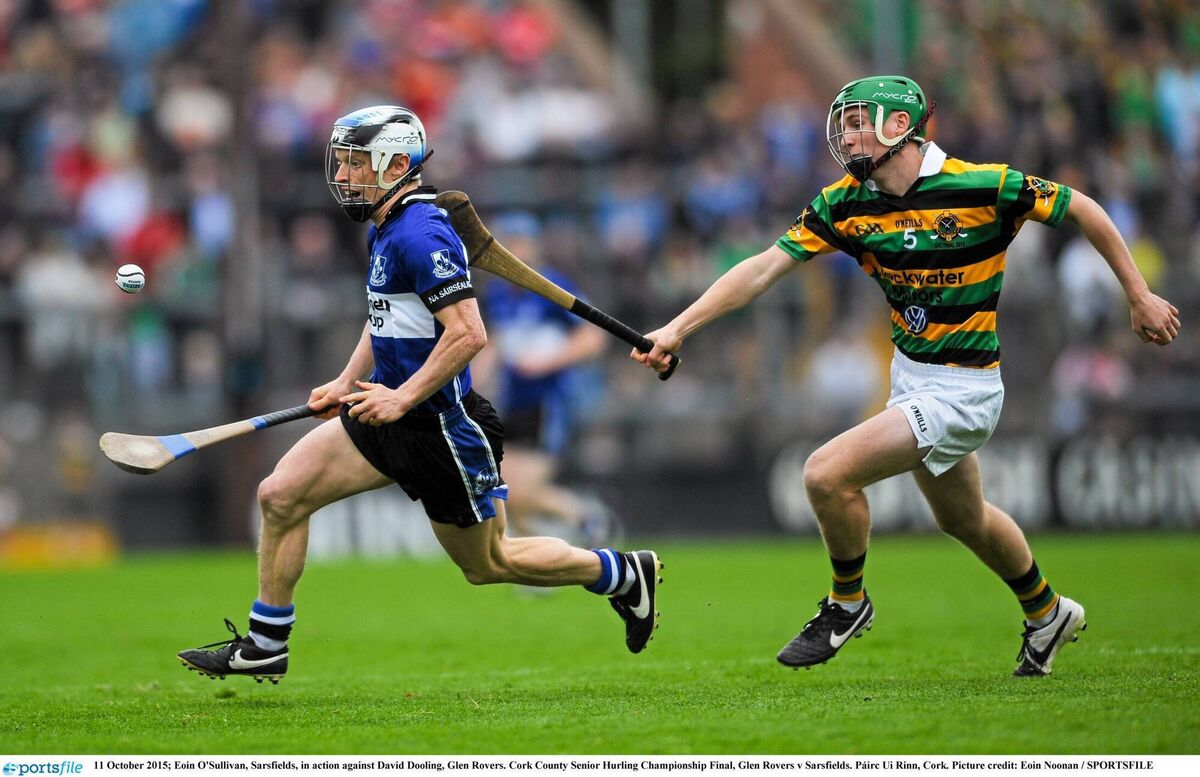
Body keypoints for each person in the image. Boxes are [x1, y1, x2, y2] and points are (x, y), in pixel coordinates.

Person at [633, 76, 1180, 677]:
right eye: (843, 122)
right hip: (912, 378)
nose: (846, 134)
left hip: (965, 389)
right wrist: (678, 328)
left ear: (900, 126)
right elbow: (763, 268)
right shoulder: (845, 202)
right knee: (962, 520)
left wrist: (1139, 293)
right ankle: (1047, 612)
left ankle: (847, 603)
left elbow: (1083, 208)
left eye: (859, 121)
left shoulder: (982, 185)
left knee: (823, 474)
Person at [178, 106, 662, 683]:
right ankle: (266, 642)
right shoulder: (384, 226)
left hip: (440, 426)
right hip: (384, 412)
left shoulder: (421, 232)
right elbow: (384, 316)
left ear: (398, 164)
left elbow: (468, 334)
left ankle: (620, 573)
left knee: (490, 563)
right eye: (346, 163)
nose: (347, 176)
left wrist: (401, 398)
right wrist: (345, 380)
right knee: (280, 495)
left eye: (359, 164)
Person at [476, 213, 614, 547]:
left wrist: (546, 362)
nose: (515, 253)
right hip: (513, 402)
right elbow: (495, 341)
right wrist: (477, 375)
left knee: (520, 491)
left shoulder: (553, 288)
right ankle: (539, 566)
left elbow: (594, 338)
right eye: (508, 245)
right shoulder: (497, 294)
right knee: (505, 493)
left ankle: (585, 516)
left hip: (549, 401)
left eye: (521, 243)